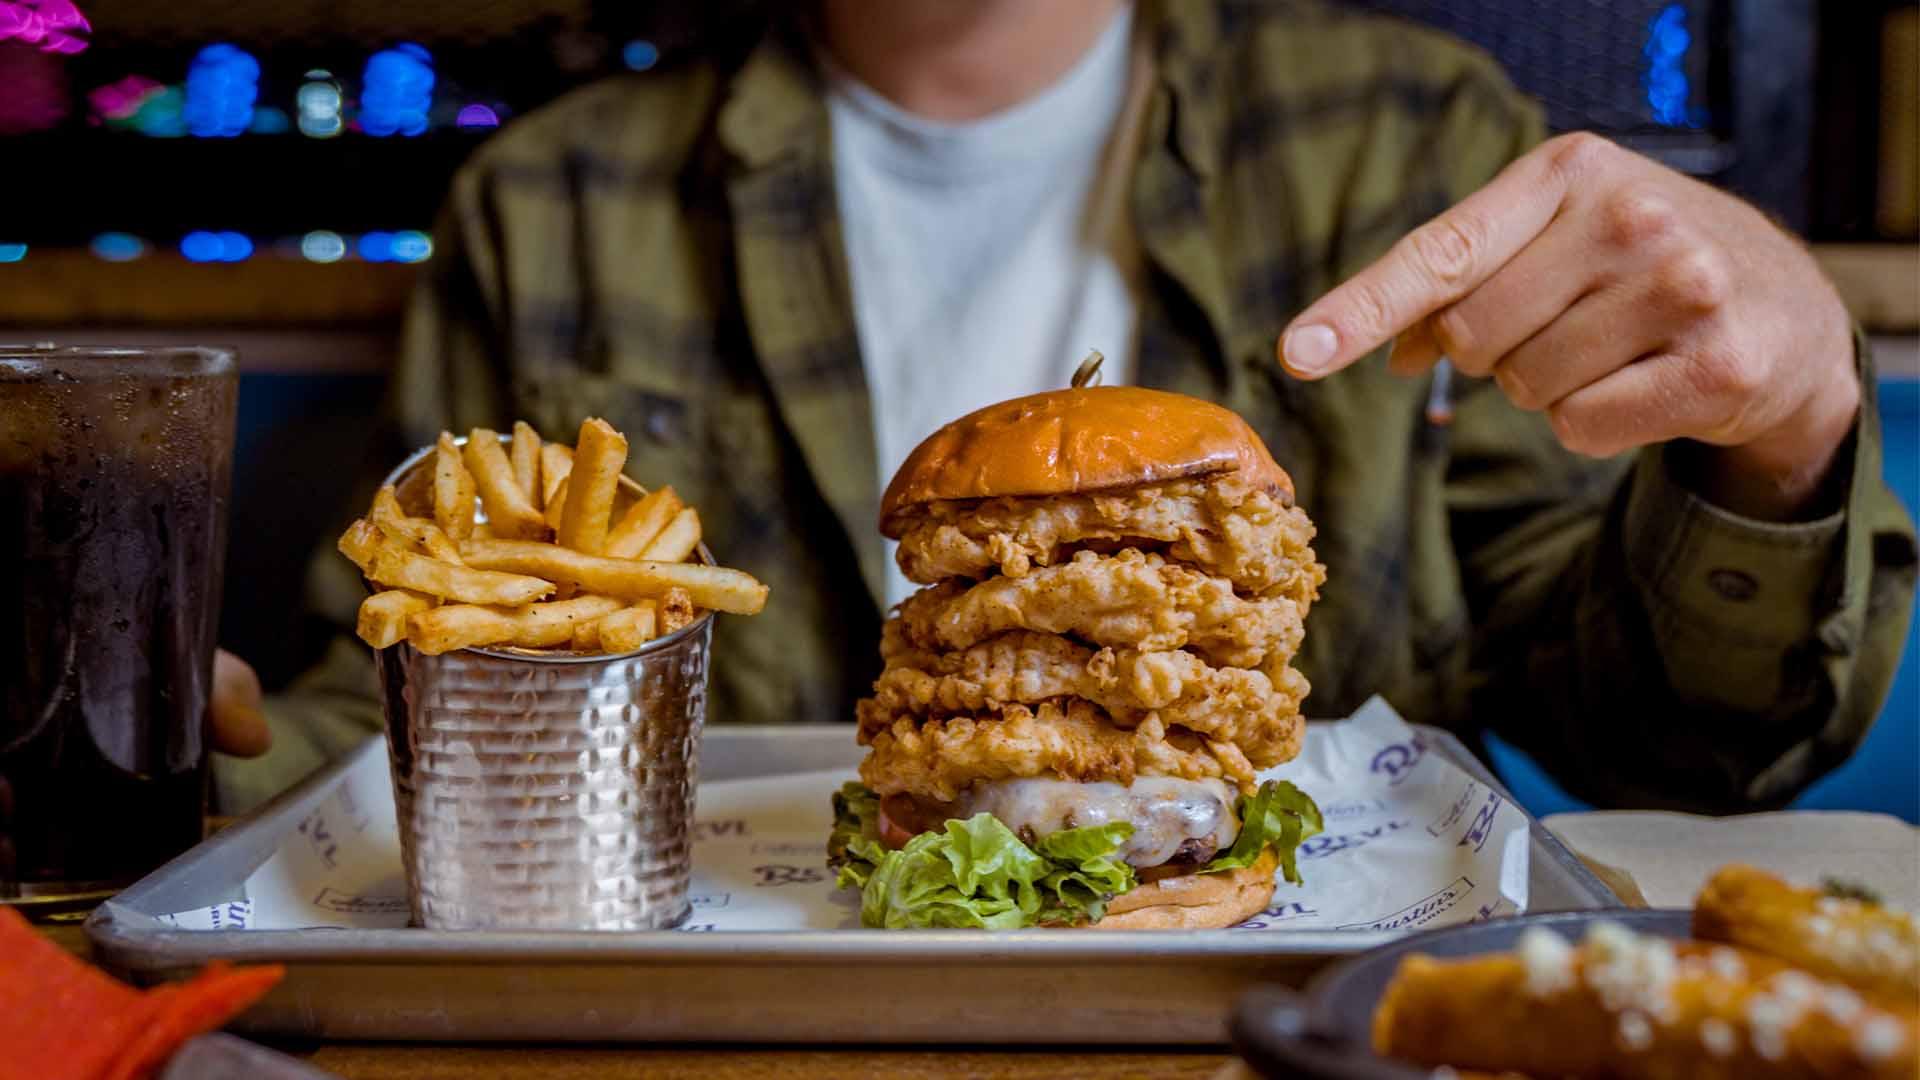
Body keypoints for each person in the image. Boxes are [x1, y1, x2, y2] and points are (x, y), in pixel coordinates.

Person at [214, 0, 1916, 815]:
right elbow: (423, 715)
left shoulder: (1403, 136)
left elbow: (1672, 740)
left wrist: (1781, 432)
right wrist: (171, 751)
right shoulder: (554, 203)